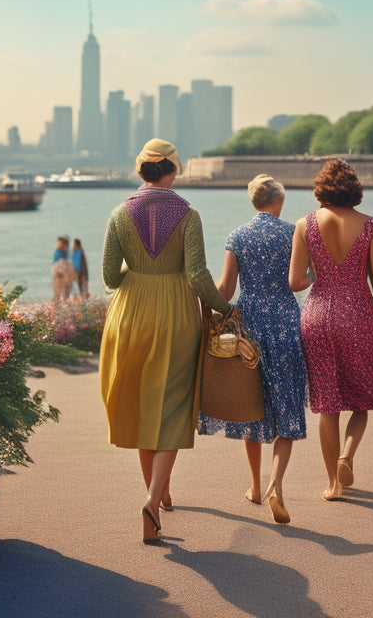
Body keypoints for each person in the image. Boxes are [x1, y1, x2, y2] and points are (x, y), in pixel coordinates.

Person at [99, 138, 232, 543]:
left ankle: (159, 492)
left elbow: (107, 275)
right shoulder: (189, 215)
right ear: (172, 171)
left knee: (143, 406)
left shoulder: (119, 214)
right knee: (172, 408)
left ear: (142, 171)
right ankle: (153, 501)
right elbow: (196, 273)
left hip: (130, 316)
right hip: (175, 315)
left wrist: (136, 278)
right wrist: (222, 307)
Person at [289, 159, 373, 501]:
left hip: (318, 313)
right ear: (354, 190)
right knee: (362, 399)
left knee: (327, 404)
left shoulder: (304, 224)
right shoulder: (370, 226)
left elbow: (295, 281)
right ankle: (346, 457)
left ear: (321, 190)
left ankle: (333, 485)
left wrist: (318, 275)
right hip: (357, 313)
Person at [201, 174, 307, 525]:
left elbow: (226, 288)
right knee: (286, 403)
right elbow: (300, 278)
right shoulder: (293, 233)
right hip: (285, 321)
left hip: (250, 325)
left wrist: (205, 312)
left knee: (253, 402)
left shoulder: (238, 235)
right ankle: (278, 485)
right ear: (279, 201)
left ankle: (255, 486)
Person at [52, 236, 77, 300]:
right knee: (59, 290)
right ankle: (60, 299)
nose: (57, 244)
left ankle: (63, 299)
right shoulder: (59, 252)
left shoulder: (63, 253)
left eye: (60, 243)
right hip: (59, 272)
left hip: (62, 272)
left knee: (64, 289)